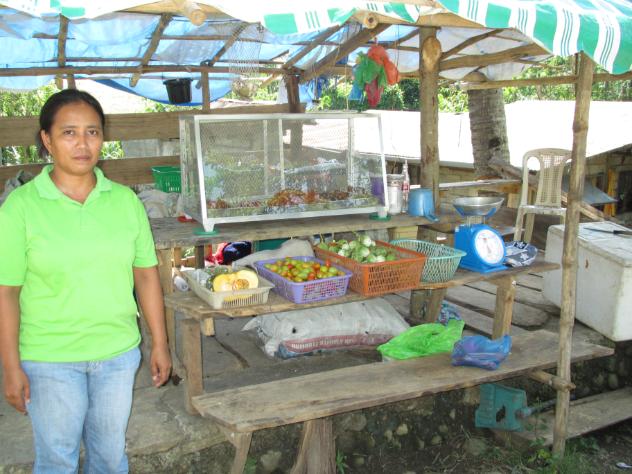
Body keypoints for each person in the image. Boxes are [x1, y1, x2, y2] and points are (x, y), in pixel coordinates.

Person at [0, 89, 172, 473]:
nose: (82, 143)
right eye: (69, 133)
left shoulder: (125, 202)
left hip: (117, 354)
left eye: (92, 132)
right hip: (49, 358)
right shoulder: (20, 207)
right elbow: (6, 292)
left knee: (110, 458)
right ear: (47, 139)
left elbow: (146, 275)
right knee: (57, 461)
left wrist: (160, 344)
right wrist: (11, 366)